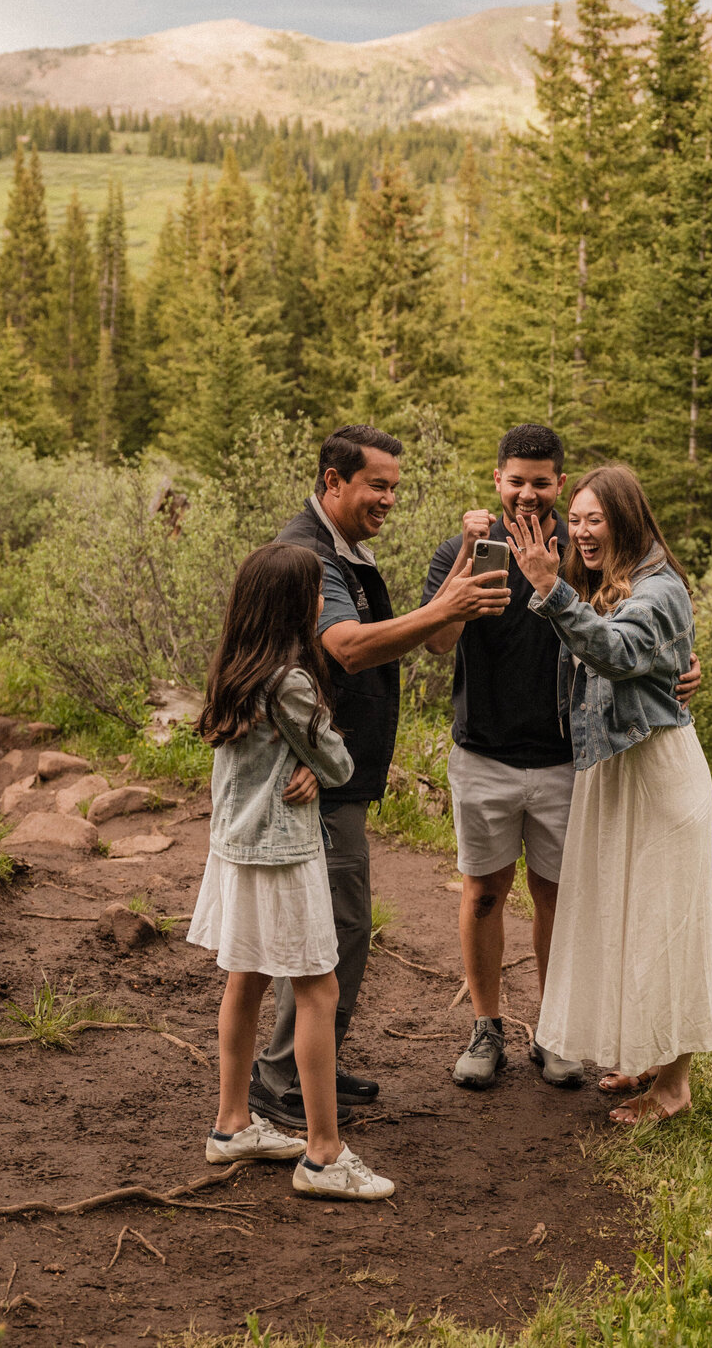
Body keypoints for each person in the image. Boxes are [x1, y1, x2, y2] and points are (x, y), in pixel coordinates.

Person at [422, 425, 702, 1093]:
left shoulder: (581, 555)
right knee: (484, 892)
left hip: (570, 760)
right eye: (515, 479)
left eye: (541, 482)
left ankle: (557, 1030)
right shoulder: (463, 549)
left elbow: (630, 626)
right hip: (483, 750)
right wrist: (464, 570)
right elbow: (437, 644)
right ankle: (486, 1027)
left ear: (558, 482)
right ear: (496, 479)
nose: (526, 493)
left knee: (559, 899)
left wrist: (682, 668)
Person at [248, 424, 510, 1135]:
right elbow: (347, 648)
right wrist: (446, 609)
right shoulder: (307, 554)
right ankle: (281, 1082)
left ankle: (311, 1063)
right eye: (377, 485)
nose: (389, 499)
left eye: (395, 486)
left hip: (335, 774)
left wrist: (450, 592)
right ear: (333, 481)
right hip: (314, 780)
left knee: (336, 929)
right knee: (332, 928)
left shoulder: (345, 551)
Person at [505, 463, 712, 1124]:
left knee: (665, 925)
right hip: (617, 772)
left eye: (593, 520)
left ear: (624, 519)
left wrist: (549, 589)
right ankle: (648, 1053)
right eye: (574, 521)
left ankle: (676, 1085)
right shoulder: (609, 583)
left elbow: (619, 654)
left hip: (655, 774)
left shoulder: (658, 590)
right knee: (627, 915)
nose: (580, 533)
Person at [187, 540, 394, 1200]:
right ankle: (325, 1155)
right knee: (318, 991)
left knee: (244, 977)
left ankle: (230, 1126)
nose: (318, 602)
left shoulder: (235, 671)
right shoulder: (292, 681)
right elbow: (339, 765)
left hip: (234, 851)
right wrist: (314, 765)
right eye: (313, 593)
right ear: (289, 606)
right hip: (282, 855)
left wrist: (296, 764)